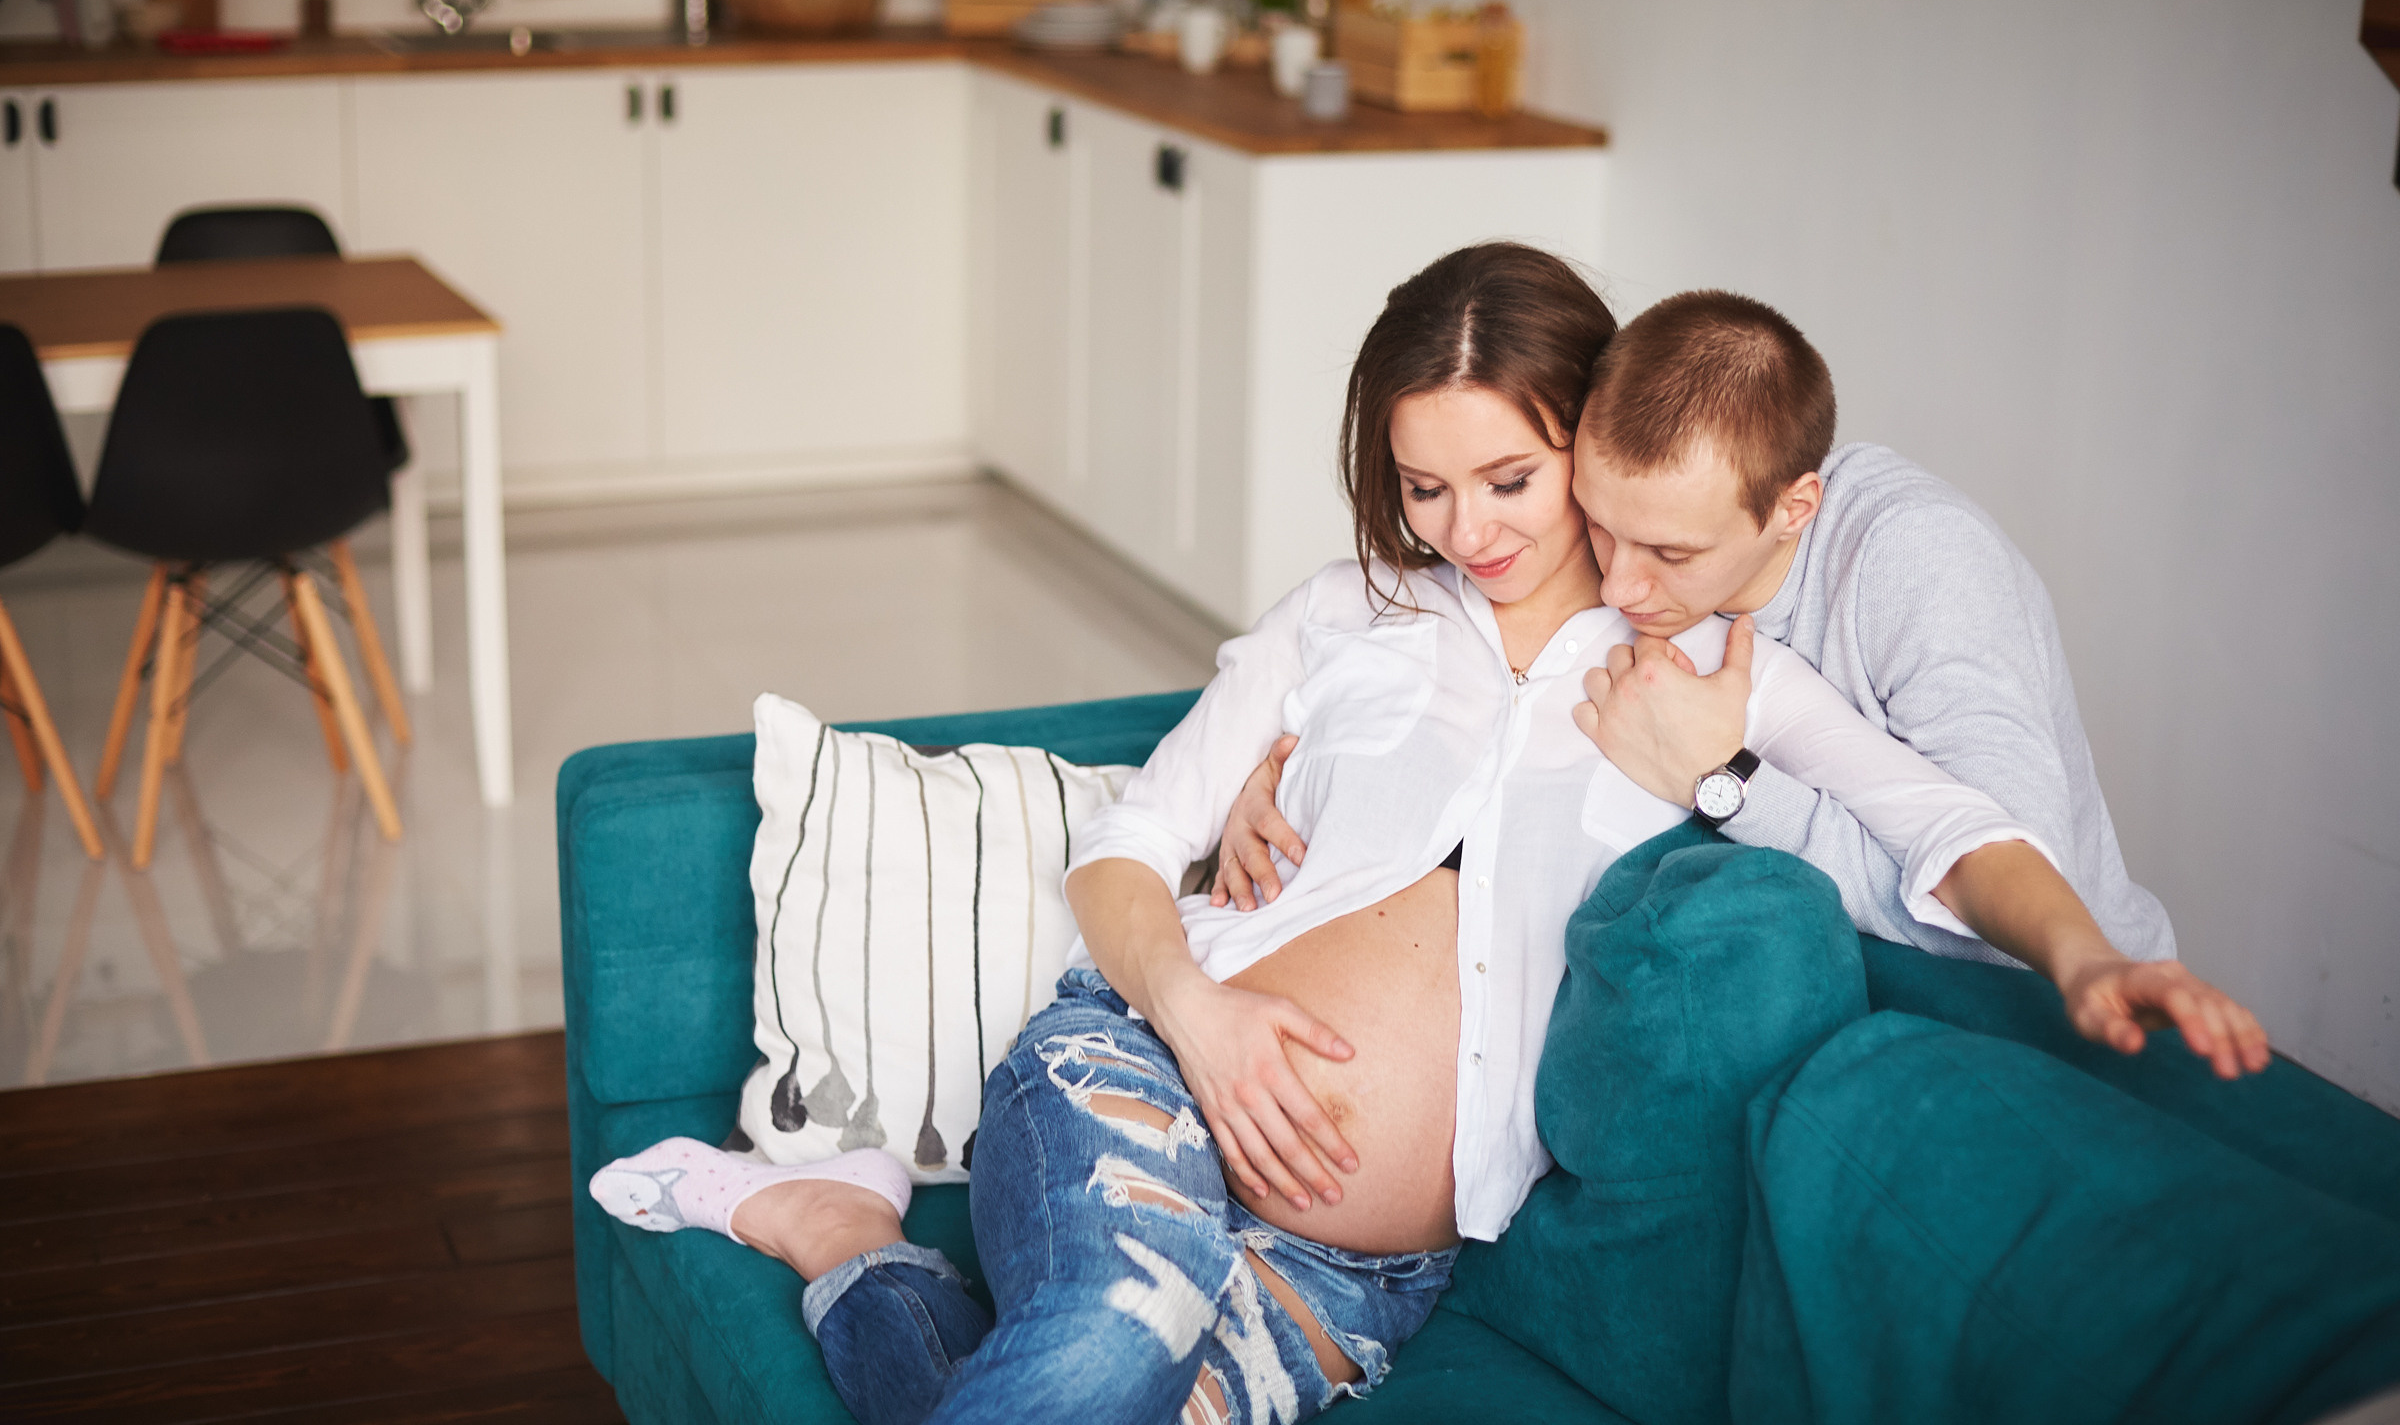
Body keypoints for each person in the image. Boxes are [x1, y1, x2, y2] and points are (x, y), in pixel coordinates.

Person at [588, 245, 2259, 1425]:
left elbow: (1945, 825)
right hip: (1141, 1075)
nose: (1466, 533)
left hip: (1371, 1265)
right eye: (1424, 488)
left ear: (1588, 441)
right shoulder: (1345, 621)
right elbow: (1128, 846)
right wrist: (1203, 1014)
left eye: (1512, 483)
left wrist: (2093, 951)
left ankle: (848, 1240)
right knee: (1110, 1338)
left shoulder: (1707, 677)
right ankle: (880, 1235)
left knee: (1092, 1398)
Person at [1219, 286, 2257, 1072]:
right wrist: (1281, 774)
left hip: (2040, 1001)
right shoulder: (1662, 485)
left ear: (1793, 508)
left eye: (1667, 556)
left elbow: (1986, 855)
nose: (1620, 585)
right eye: (1600, 527)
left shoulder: (1919, 567)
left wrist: (1725, 781)